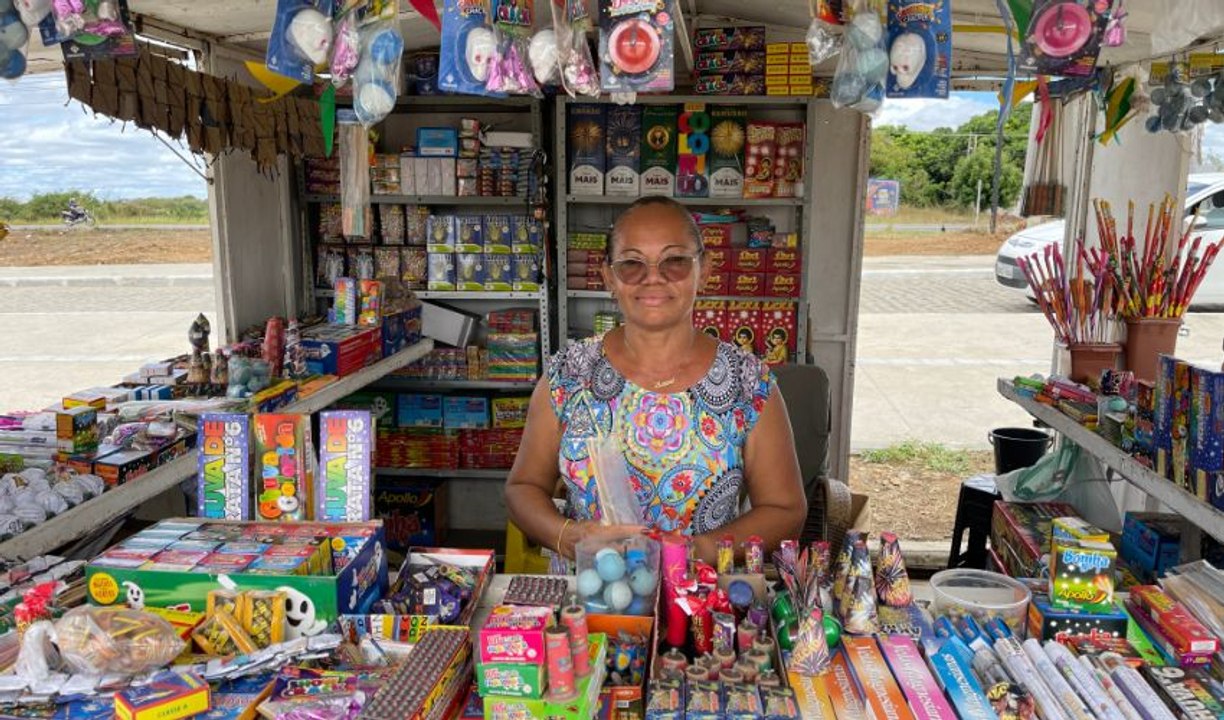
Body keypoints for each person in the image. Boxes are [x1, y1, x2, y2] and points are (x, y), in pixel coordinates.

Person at [505, 196, 807, 564]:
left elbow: (785, 510)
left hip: (701, 609)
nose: (653, 277)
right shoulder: (568, 375)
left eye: (675, 261)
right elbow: (522, 488)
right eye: (632, 264)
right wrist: (567, 537)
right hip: (584, 605)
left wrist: (694, 552)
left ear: (705, 269)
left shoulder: (749, 383)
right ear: (608, 277)